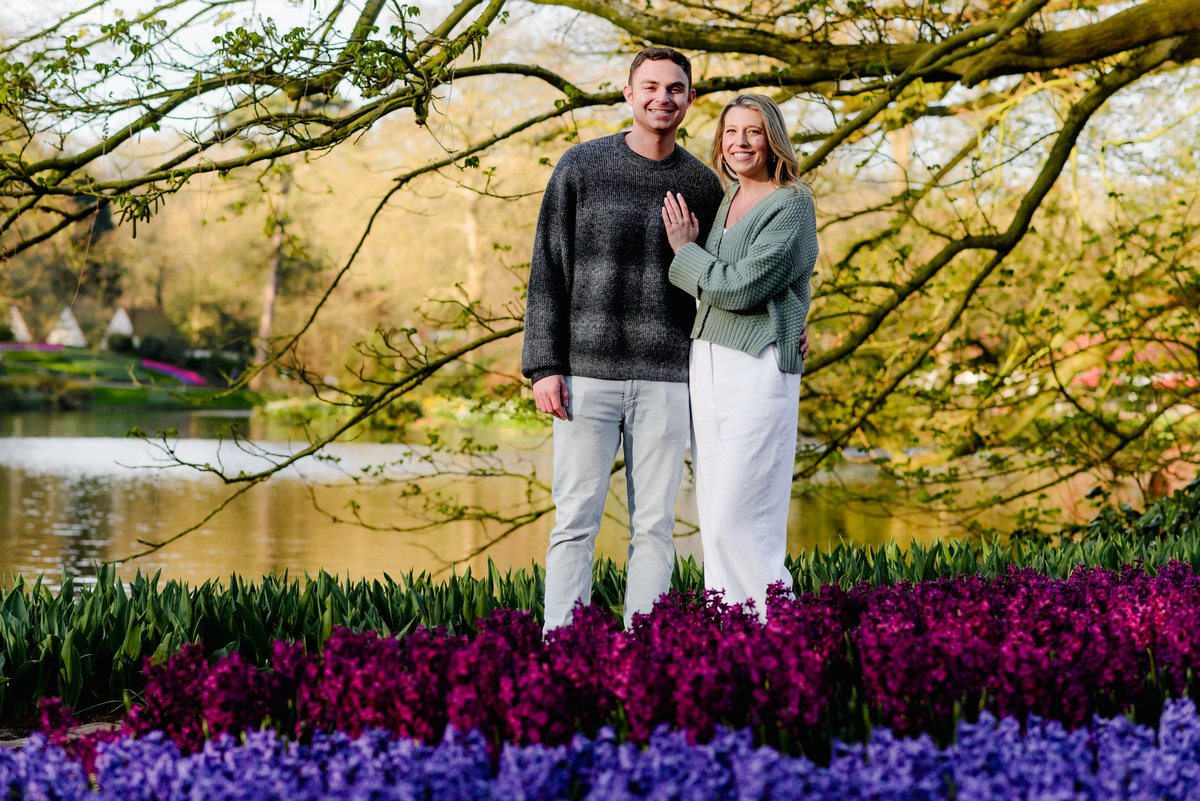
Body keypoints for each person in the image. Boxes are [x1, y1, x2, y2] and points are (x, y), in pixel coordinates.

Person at [522, 47, 724, 631]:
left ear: (689, 100)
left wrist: (791, 321)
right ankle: (560, 644)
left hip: (669, 378)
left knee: (656, 525)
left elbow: (726, 278)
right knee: (574, 520)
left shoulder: (701, 184)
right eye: (652, 87)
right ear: (629, 94)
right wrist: (544, 365)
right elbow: (547, 269)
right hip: (585, 375)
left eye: (676, 89)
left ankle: (645, 649)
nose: (663, 98)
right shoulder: (581, 167)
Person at [661, 93, 818, 615]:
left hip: (757, 363)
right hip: (705, 360)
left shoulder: (792, 203)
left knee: (741, 513)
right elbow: (721, 286)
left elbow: (742, 287)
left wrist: (685, 252)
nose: (740, 142)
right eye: (731, 132)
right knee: (712, 510)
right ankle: (730, 627)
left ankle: (779, 627)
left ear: (772, 138)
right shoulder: (727, 198)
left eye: (752, 131)